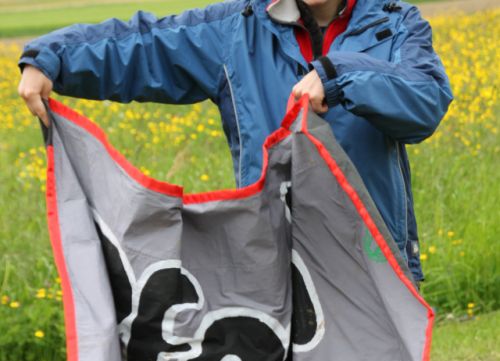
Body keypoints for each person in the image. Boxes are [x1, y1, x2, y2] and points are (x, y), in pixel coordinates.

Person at [17, 0, 453, 284]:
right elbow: (144, 45)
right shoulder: (236, 30)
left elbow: (426, 98)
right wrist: (51, 57)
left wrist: (339, 77)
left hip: (376, 268)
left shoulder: (395, 23)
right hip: (278, 272)